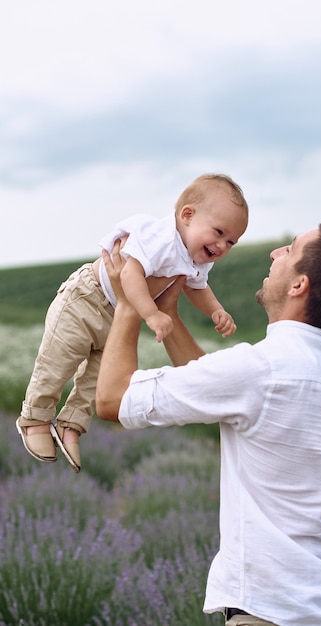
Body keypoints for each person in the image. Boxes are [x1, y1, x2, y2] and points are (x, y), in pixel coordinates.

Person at [96, 219, 321, 626]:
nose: (274, 253)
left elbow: (112, 399)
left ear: (299, 285)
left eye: (289, 249)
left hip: (272, 615)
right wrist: (169, 314)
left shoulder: (258, 371)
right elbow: (219, 387)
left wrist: (128, 305)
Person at [16, 173, 248, 473]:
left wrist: (216, 310)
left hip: (117, 315)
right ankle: (35, 418)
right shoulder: (159, 236)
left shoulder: (196, 259)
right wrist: (151, 314)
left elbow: (197, 287)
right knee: (59, 361)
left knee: (97, 380)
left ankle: (71, 425)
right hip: (88, 299)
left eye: (231, 241)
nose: (222, 245)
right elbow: (129, 274)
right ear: (187, 215)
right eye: (218, 232)